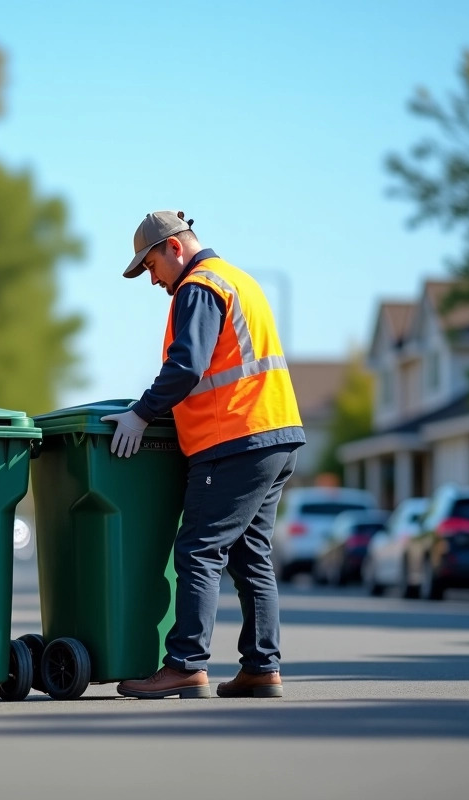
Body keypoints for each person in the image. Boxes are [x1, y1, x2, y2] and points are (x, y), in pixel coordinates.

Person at [104, 210, 304, 700]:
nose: (152, 280)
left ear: (175, 248)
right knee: (252, 557)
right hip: (275, 434)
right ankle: (262, 667)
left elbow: (186, 366)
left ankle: (186, 664)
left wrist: (141, 413)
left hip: (232, 438)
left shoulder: (199, 286)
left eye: (151, 266)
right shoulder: (240, 281)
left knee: (198, 549)